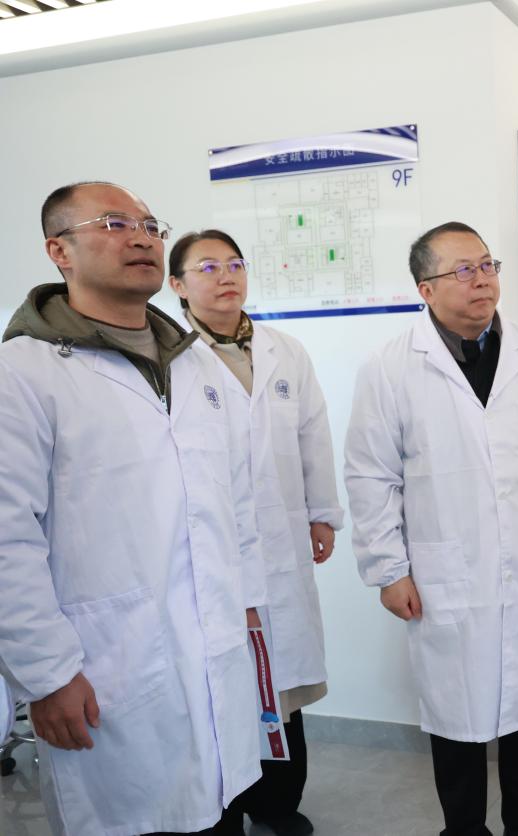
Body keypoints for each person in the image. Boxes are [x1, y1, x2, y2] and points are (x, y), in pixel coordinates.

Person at [0, 182, 265, 836]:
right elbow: (7, 540)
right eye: (115, 223)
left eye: (150, 225)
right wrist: (46, 674)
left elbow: (235, 501)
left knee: (221, 814)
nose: (142, 237)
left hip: (215, 652)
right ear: (58, 251)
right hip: (105, 666)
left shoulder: (196, 366)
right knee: (136, 816)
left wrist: (247, 605)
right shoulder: (23, 373)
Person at [344, 222, 518, 836]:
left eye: (487, 265)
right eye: (463, 270)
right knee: (457, 721)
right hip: (444, 570)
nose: (481, 280)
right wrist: (388, 570)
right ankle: (463, 829)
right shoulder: (390, 367)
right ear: (425, 289)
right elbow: (371, 475)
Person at [169, 229, 344, 836]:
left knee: (283, 685)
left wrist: (322, 512)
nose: (226, 276)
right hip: (209, 550)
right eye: (208, 267)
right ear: (177, 285)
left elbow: (312, 435)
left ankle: (277, 807)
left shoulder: (283, 350)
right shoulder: (169, 358)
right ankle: (226, 810)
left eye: (235, 264)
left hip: (281, 540)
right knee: (225, 687)